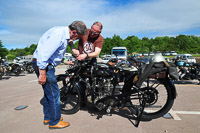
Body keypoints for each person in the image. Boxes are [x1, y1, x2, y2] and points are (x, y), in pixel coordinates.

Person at [32, 21, 87, 129]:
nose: (76, 39)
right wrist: (42, 73)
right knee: (54, 94)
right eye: (78, 37)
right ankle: (54, 121)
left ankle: (49, 117)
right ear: (74, 32)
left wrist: (66, 62)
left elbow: (54, 53)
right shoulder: (59, 34)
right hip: (44, 65)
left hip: (44, 64)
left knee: (48, 93)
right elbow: (44, 54)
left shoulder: (61, 32)